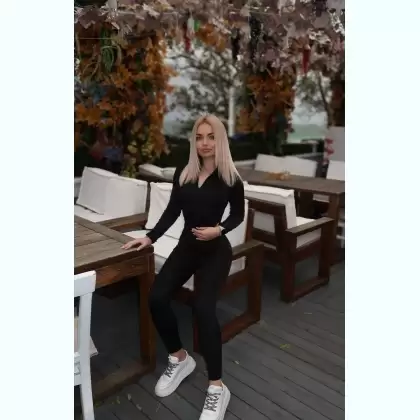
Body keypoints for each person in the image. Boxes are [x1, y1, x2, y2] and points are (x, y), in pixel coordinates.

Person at [122, 114, 244, 420]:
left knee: (203, 309)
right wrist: (149, 237)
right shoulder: (185, 172)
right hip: (188, 247)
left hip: (216, 251)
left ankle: (217, 387)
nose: (204, 143)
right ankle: (179, 358)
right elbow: (173, 211)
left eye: (211, 137)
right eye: (199, 137)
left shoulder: (231, 178)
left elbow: (238, 215)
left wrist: (220, 229)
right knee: (156, 297)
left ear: (220, 140)